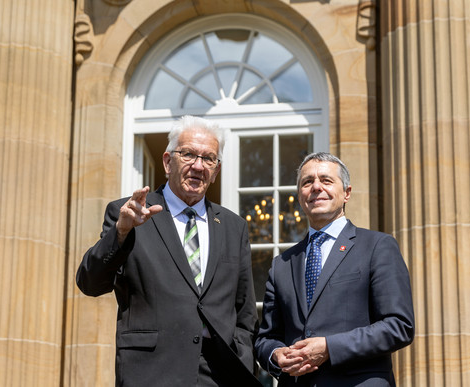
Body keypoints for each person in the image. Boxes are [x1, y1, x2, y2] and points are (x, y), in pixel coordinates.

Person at [76, 115, 261, 387]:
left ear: (216, 170)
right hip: (151, 373)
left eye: (208, 158)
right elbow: (90, 283)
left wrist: (242, 358)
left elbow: (244, 312)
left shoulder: (234, 226)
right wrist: (121, 233)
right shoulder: (129, 214)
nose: (198, 166)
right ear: (167, 162)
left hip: (219, 377)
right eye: (188, 154)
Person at [255, 152, 414, 386]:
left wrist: (329, 347)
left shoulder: (377, 246)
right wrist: (276, 355)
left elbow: (399, 326)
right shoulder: (282, 264)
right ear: (300, 196)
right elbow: (266, 338)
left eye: (326, 180)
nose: (316, 187)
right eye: (307, 182)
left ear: (346, 193)